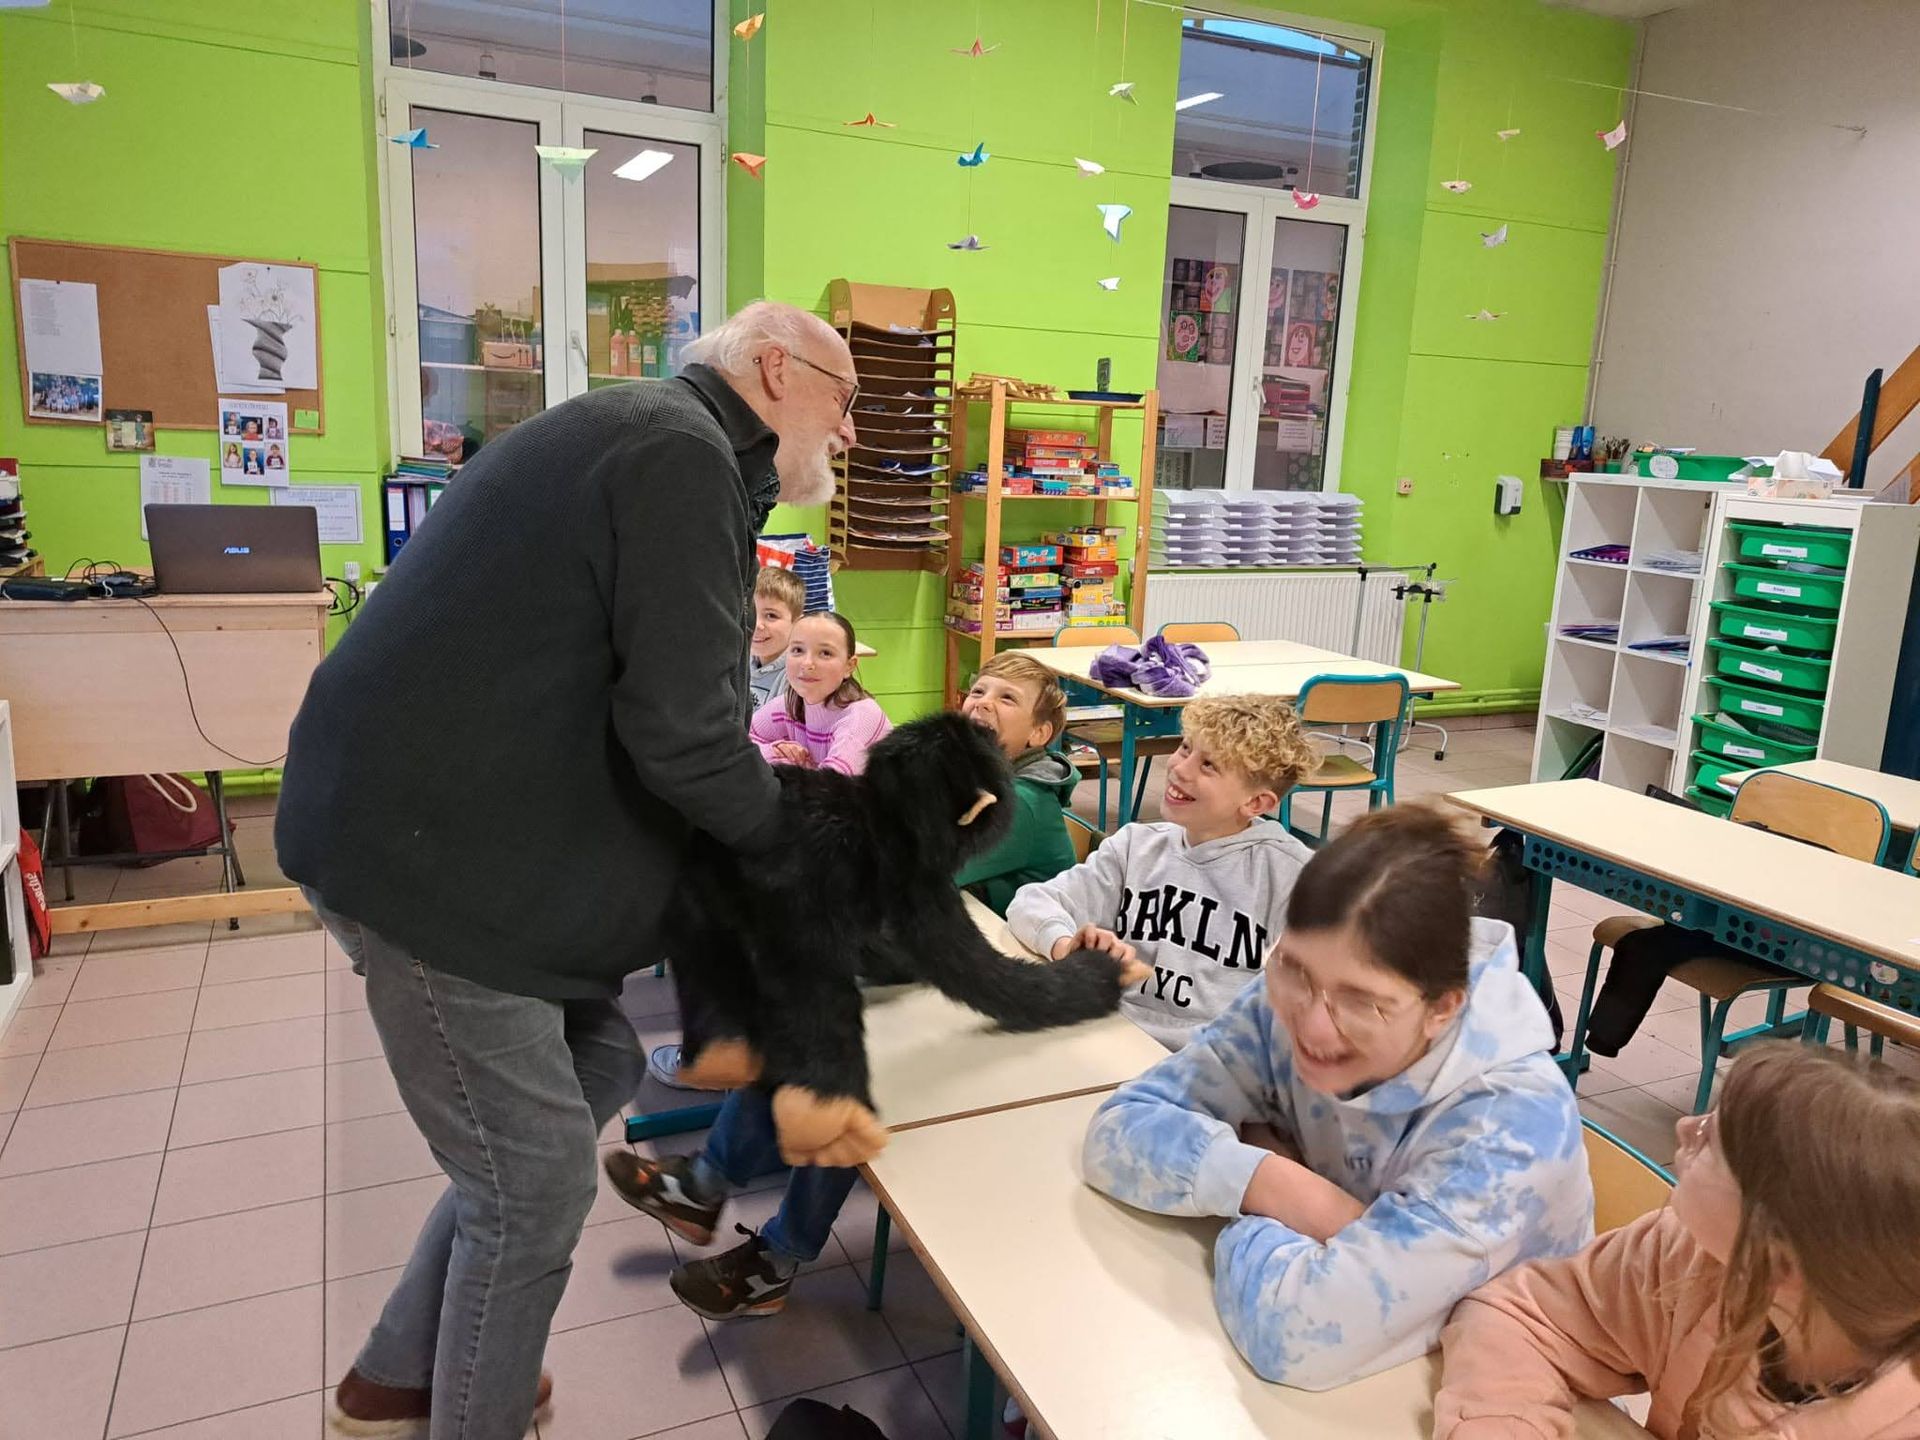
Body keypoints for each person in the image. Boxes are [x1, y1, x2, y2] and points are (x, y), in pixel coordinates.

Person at [274, 301, 858, 1440]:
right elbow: (686, 737)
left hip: (421, 827)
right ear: (776, 370)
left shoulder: (660, 438)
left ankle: (393, 1381)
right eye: (843, 403)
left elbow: (647, 703)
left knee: (596, 1060)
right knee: (533, 1187)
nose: (846, 434)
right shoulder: (682, 456)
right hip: (427, 864)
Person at [1080, 805, 1592, 1390]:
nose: (1313, 1027)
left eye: (1364, 1001)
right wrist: (1279, 1182)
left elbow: (1295, 1337)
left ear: (1442, 1008)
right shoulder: (1294, 993)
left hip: (1493, 1397)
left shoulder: (1510, 1129)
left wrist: (1241, 1185)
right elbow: (1116, 1132)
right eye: (1293, 968)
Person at [1435, 1043, 1920, 1438]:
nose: (1685, 1128)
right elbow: (1525, 1316)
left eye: (1711, 1139)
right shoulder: (1694, 1258)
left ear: (1777, 1263)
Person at [1005, 692, 1317, 1048]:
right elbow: (1031, 902)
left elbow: (1306, 1005)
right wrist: (1067, 948)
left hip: (1211, 1060)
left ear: (1256, 802)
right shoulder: (1136, 846)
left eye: (1209, 765)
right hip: (1108, 1034)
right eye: (1185, 748)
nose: (1179, 768)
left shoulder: (1295, 878)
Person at [952, 651, 1078, 916]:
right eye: (978, 691)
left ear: (1038, 733)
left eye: (1007, 698)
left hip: (1021, 937)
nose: (983, 703)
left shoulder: (1022, 802)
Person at [749, 611, 891, 774]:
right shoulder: (789, 704)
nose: (807, 663)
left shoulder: (860, 717)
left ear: (849, 666)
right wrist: (775, 752)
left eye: (825, 653)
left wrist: (789, 767)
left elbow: (832, 783)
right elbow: (740, 743)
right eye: (798, 650)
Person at [748, 565, 805, 711]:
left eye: (771, 615)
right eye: (750, 613)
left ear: (797, 624)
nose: (757, 624)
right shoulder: (739, 659)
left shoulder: (799, 675)